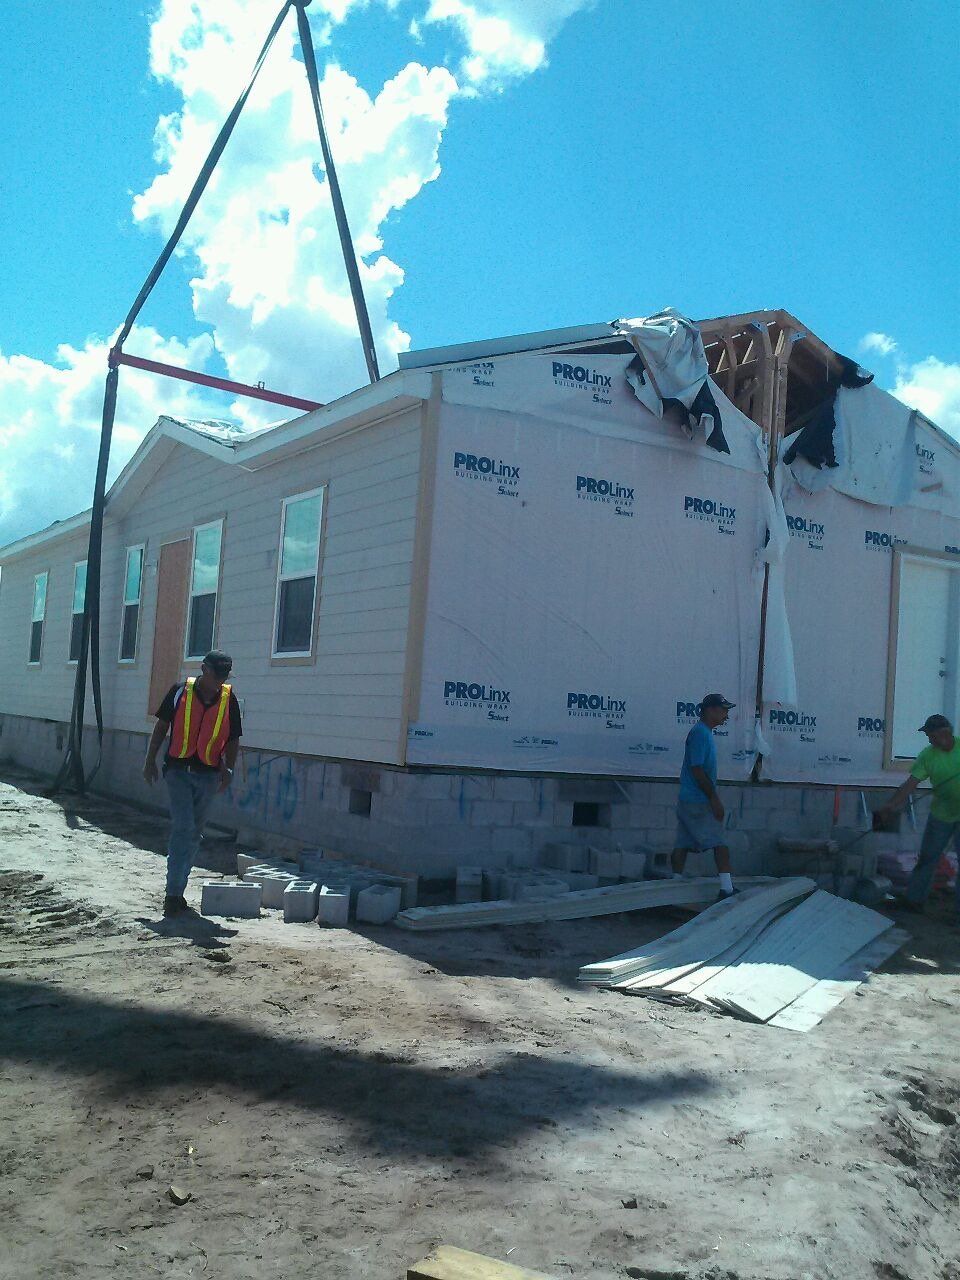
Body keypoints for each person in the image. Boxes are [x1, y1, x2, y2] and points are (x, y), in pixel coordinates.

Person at [143, 650, 242, 917]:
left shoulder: (227, 699)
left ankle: (178, 891)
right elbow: (162, 726)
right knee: (184, 827)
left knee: (194, 833)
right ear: (203, 669)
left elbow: (233, 738)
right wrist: (150, 759)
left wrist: (229, 769)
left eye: (224, 677)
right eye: (216, 675)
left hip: (209, 775)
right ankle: (173, 894)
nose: (219, 681)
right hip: (178, 771)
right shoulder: (180, 691)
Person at [878, 713, 960, 922]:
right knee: (927, 858)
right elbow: (910, 784)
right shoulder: (927, 755)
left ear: (945, 733)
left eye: (931, 735)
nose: (929, 739)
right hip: (941, 814)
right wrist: (891, 805)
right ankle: (913, 901)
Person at [671, 693, 737, 899]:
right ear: (710, 710)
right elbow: (697, 769)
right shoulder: (701, 733)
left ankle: (674, 882)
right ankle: (726, 889)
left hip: (688, 798)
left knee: (683, 842)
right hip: (699, 800)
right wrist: (714, 799)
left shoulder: (702, 732)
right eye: (723, 710)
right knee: (719, 842)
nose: (726, 715)